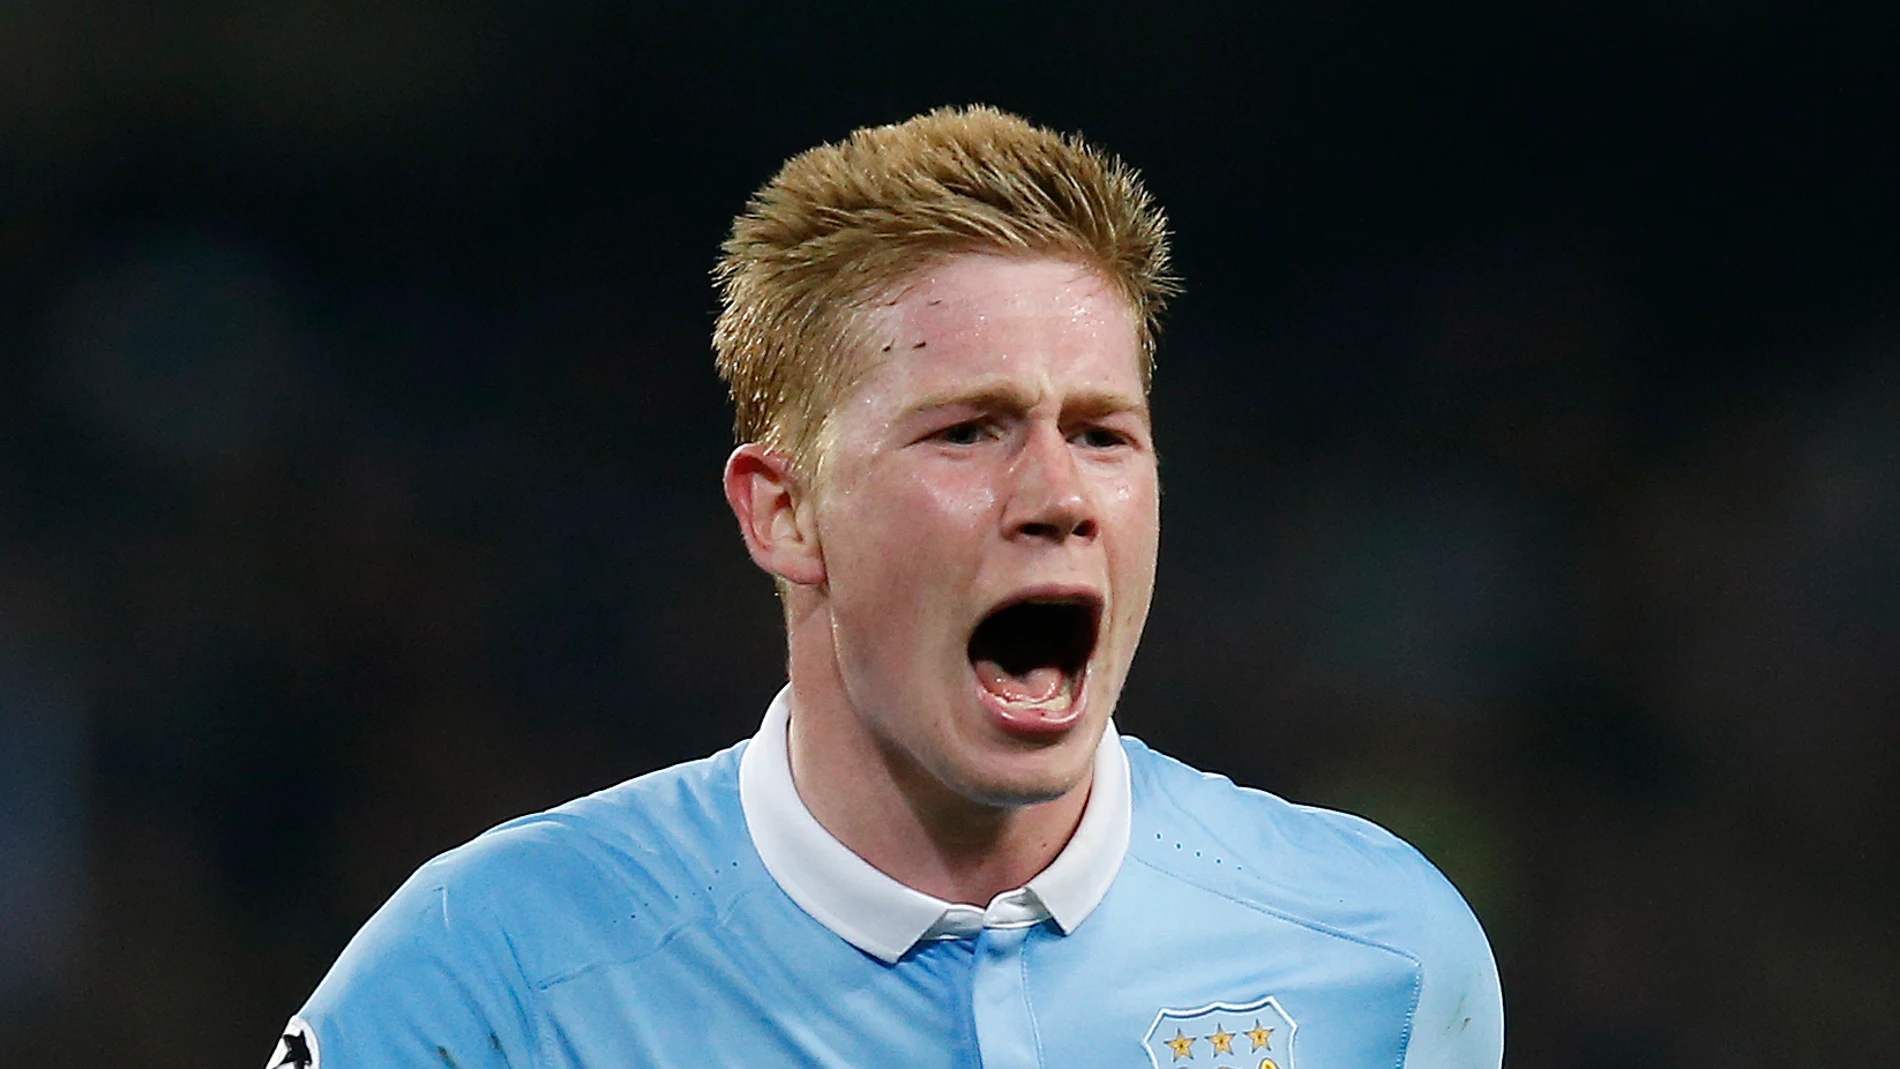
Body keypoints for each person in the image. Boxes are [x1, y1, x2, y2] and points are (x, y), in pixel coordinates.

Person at [266, 105, 1503, 1069]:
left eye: (1102, 433)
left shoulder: (1380, 953)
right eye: (967, 431)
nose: (1058, 493)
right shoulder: (492, 975)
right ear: (784, 511)